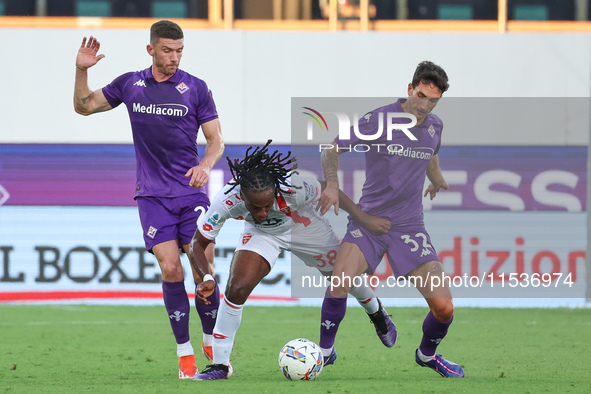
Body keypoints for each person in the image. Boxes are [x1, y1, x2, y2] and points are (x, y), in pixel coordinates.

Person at [73, 20, 224, 379]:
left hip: (191, 193)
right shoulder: (130, 84)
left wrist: (205, 165)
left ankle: (211, 340)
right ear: (151, 50)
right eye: (168, 50)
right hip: (153, 196)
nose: (174, 57)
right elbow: (84, 106)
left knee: (203, 268)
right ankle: (184, 350)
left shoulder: (196, 89)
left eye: (180, 51)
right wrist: (81, 71)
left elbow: (216, 140)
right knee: (171, 268)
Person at [189, 140, 396, 380]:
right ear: (242, 196)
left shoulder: (294, 187)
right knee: (236, 288)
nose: (262, 212)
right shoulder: (226, 199)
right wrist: (206, 276)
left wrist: (365, 219)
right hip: (261, 234)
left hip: (303, 226)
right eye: (255, 207)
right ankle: (220, 366)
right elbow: (198, 243)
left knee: (343, 278)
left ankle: (375, 310)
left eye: (267, 205)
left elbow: (333, 191)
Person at [316, 61, 465, 378]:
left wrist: (437, 180)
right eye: (421, 96)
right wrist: (331, 184)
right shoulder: (380, 120)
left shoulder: (434, 126)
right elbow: (330, 149)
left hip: (410, 228)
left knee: (445, 309)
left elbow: (431, 155)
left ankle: (426, 356)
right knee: (339, 282)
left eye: (433, 100)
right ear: (410, 89)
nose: (425, 105)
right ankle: (324, 354)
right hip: (368, 222)